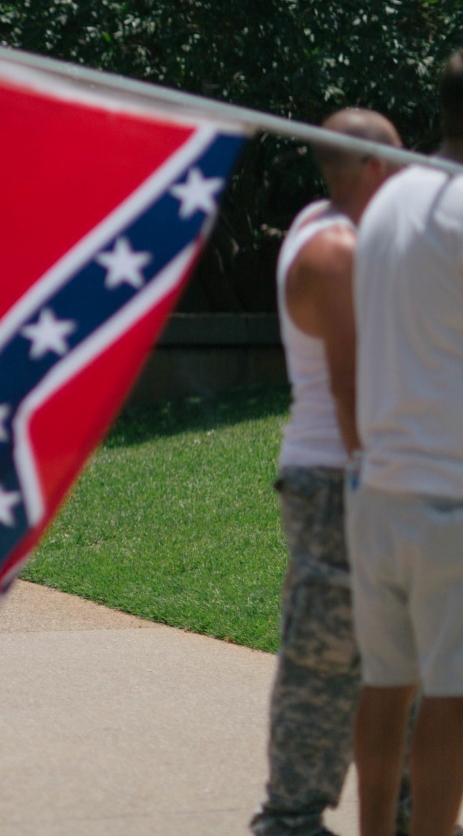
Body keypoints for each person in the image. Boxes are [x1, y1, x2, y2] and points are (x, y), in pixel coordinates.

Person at [251, 109, 406, 836]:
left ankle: (409, 805)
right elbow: (352, 388)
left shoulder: (324, 223)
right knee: (325, 657)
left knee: (395, 650)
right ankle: (291, 818)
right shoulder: (336, 249)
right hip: (339, 475)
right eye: (401, 165)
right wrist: (372, 481)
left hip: (350, 472)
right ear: (374, 169)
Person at [351, 51, 463, 836]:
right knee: (454, 696)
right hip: (449, 493)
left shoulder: (389, 200)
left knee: (385, 686)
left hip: (380, 491)